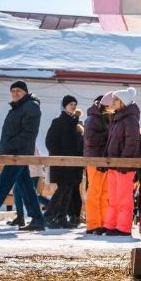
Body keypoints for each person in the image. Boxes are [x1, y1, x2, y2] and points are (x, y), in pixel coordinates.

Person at [0, 81, 45, 231]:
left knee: (3, 185)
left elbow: (28, 134)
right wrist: (4, 146)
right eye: (12, 90)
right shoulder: (18, 107)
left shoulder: (30, 107)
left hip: (19, 154)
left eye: (18, 90)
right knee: (26, 187)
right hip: (14, 153)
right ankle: (38, 219)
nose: (15, 93)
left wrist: (8, 146)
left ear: (26, 92)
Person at [104, 87, 141, 237]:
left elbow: (132, 143)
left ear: (123, 102)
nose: (112, 102)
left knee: (124, 197)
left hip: (124, 166)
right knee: (113, 197)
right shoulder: (117, 119)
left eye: (115, 99)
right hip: (114, 164)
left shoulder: (130, 120)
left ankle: (123, 227)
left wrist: (125, 163)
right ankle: (111, 225)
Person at [44, 96, 85, 229]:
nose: (73, 106)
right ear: (64, 106)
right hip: (61, 163)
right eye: (70, 104)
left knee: (68, 189)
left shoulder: (77, 123)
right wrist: (58, 157)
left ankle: (61, 217)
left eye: (74, 104)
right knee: (62, 188)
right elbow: (50, 142)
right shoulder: (58, 122)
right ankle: (49, 216)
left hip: (73, 164)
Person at [84, 94, 113, 235]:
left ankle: (102, 223)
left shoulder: (106, 118)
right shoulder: (92, 119)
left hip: (103, 160)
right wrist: (108, 135)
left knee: (104, 193)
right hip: (94, 160)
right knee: (94, 193)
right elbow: (90, 139)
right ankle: (92, 224)